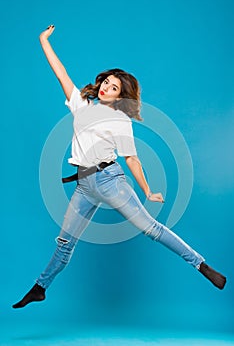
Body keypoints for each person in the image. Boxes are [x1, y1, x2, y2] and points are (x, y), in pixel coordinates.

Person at [12, 25, 226, 309]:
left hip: (110, 180)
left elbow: (132, 158)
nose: (106, 87)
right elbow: (61, 72)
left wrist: (148, 191)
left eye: (113, 87)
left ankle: (200, 265)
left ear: (120, 95)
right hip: (84, 185)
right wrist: (43, 41)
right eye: (106, 82)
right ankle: (40, 288)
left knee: (150, 228)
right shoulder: (81, 105)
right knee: (65, 242)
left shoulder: (120, 120)